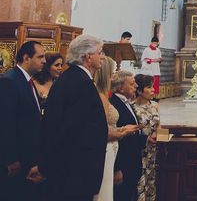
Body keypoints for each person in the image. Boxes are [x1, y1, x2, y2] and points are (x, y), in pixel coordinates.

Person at [39, 35, 109, 201]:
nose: (102, 57)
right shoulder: (80, 83)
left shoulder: (73, 78)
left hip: (72, 169)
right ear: (88, 56)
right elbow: (70, 128)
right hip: (75, 170)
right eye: (99, 53)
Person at [0, 41, 46, 200]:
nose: (44, 61)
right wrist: (11, 158)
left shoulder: (28, 81)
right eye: (40, 57)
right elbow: (6, 123)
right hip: (16, 159)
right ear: (26, 58)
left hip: (27, 157)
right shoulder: (10, 81)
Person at [94, 57, 139, 201]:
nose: (113, 76)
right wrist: (122, 132)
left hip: (115, 148)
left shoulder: (106, 95)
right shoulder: (101, 96)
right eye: (112, 72)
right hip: (110, 151)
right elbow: (99, 129)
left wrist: (122, 130)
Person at [110, 71, 146, 201]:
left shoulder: (127, 102)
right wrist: (117, 168)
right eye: (132, 83)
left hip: (132, 163)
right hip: (123, 165)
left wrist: (146, 139)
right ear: (120, 88)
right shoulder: (113, 105)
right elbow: (114, 140)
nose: (136, 86)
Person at [133, 74, 160, 201]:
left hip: (153, 151)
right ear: (139, 90)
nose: (153, 90)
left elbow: (158, 124)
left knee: (151, 183)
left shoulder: (154, 105)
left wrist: (158, 134)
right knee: (140, 184)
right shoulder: (133, 107)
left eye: (152, 87)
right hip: (140, 150)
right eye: (149, 87)